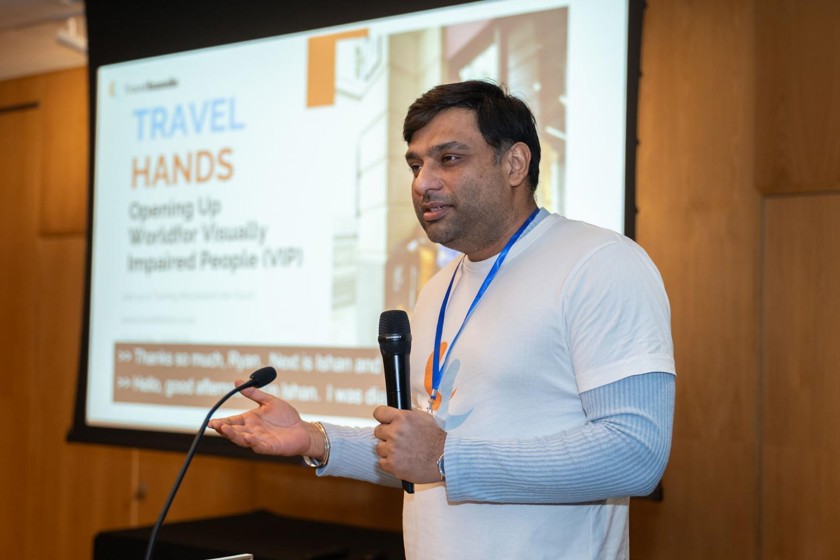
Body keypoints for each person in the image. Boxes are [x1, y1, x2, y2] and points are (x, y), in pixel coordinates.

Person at [209, 80, 676, 559]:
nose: (422, 182)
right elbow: (423, 459)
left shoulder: (598, 263)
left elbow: (635, 454)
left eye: (448, 159)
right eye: (416, 164)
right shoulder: (439, 288)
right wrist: (313, 438)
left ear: (515, 164)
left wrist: (445, 456)